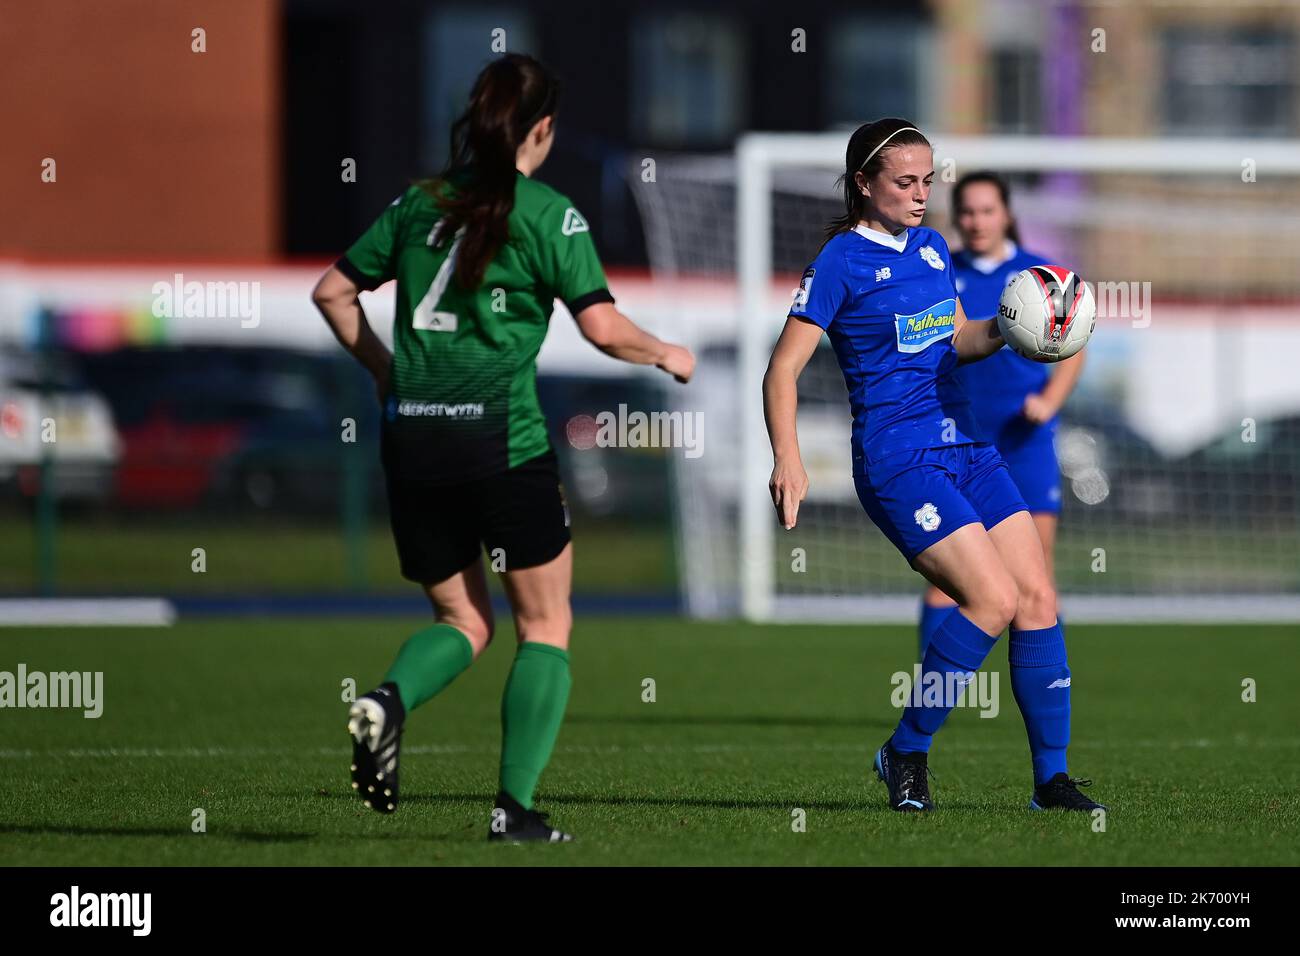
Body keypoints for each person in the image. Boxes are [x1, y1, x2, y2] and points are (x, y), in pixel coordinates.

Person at [311, 54, 694, 842]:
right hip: (500, 437)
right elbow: (600, 325)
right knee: (544, 625)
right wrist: (665, 353)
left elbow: (333, 291)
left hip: (411, 435)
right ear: (542, 130)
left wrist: (386, 372)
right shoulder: (550, 214)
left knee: (463, 620)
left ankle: (385, 701)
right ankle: (512, 809)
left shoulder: (417, 204)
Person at [762, 118, 1101, 813]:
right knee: (993, 600)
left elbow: (956, 338)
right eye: (905, 183)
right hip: (898, 458)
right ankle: (906, 750)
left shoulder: (931, 247)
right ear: (864, 184)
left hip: (967, 445)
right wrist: (788, 461)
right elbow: (781, 370)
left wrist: (1023, 328)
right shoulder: (838, 262)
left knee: (1037, 598)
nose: (923, 195)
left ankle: (1051, 781)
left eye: (928, 181)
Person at [918, 171, 1085, 655]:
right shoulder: (938, 270)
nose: (976, 221)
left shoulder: (1041, 276)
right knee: (947, 581)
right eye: (966, 211)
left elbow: (1075, 349)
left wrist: (1048, 402)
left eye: (987, 210)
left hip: (1024, 441)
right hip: (959, 441)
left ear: (1008, 215)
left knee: (1037, 578)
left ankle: (1047, 679)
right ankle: (943, 689)